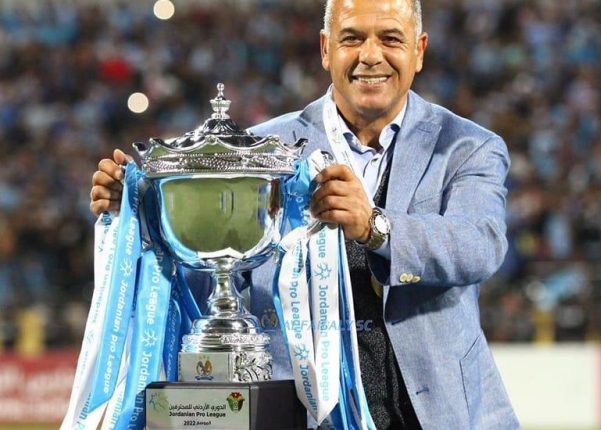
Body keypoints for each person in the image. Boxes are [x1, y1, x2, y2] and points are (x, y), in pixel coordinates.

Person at [90, 0, 519, 428]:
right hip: (304, 414)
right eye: (352, 38)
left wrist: (375, 227)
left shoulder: (467, 146)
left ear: (419, 50)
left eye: (390, 38)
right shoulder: (257, 152)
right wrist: (142, 220)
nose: (371, 55)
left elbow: (479, 245)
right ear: (325, 49)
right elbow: (211, 276)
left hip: (437, 414)